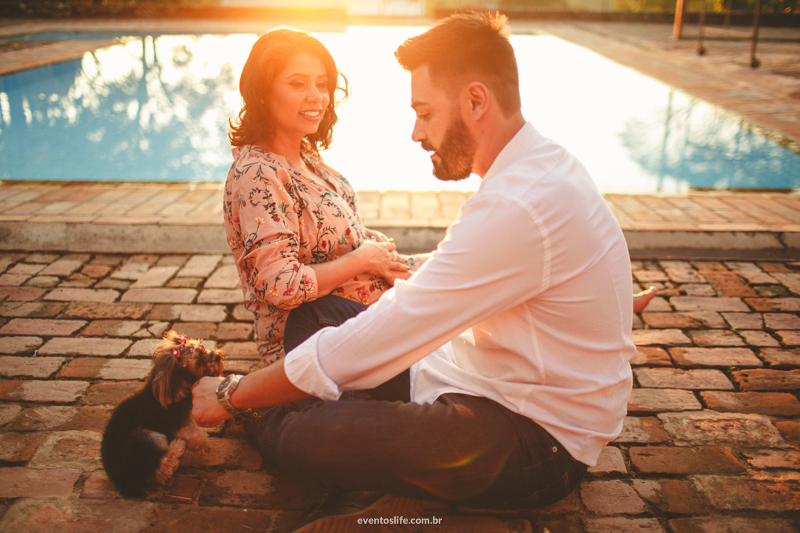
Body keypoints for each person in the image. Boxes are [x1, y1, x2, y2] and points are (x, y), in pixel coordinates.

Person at [195, 11, 640, 521]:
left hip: (535, 437)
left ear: (475, 101)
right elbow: (488, 272)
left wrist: (235, 395)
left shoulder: (520, 204)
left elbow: (399, 326)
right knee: (316, 319)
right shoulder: (541, 166)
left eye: (425, 112)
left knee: (305, 436)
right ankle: (381, 464)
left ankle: (301, 428)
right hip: (472, 377)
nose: (415, 132)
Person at [223, 28, 426, 366]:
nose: (317, 96)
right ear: (262, 92)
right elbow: (280, 285)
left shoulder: (308, 160)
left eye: (322, 83)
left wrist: (375, 252)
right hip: (317, 336)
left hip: (369, 305)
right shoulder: (257, 175)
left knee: (466, 268)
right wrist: (363, 260)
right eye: (298, 84)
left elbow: (330, 236)